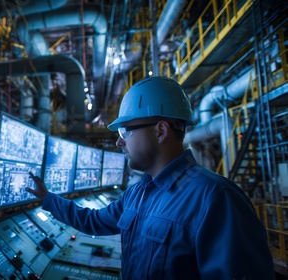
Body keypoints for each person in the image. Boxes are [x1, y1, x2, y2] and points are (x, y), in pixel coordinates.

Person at [26, 76, 275, 279]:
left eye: (126, 130)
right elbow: (93, 221)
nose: (119, 140)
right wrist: (47, 198)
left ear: (161, 130)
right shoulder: (136, 194)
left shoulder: (216, 200)